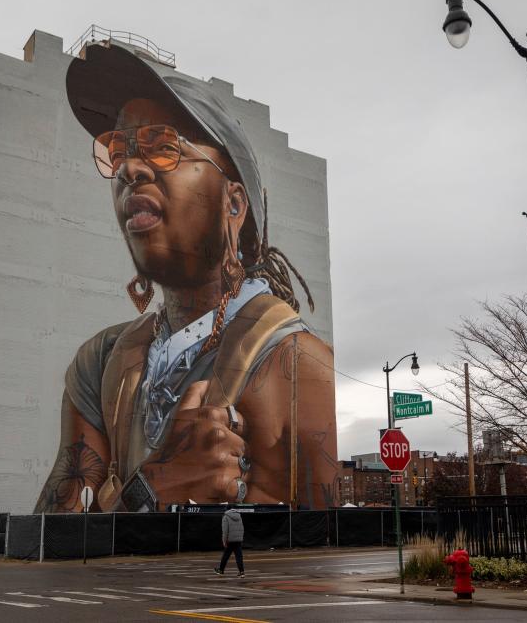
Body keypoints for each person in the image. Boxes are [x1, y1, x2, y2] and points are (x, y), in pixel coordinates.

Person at [34, 42, 338, 514]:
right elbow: (50, 539)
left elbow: (316, 562)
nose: (129, 169)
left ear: (233, 204)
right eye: (119, 152)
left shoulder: (296, 365)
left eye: (162, 147)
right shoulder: (101, 362)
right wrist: (154, 488)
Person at [216, 508, 245, 577]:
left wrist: (224, 541)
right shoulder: (239, 516)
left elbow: (225, 531)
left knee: (225, 556)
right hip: (238, 540)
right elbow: (242, 528)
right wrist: (241, 538)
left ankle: (221, 570)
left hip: (230, 540)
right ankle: (241, 572)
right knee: (239, 556)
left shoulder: (225, 517)